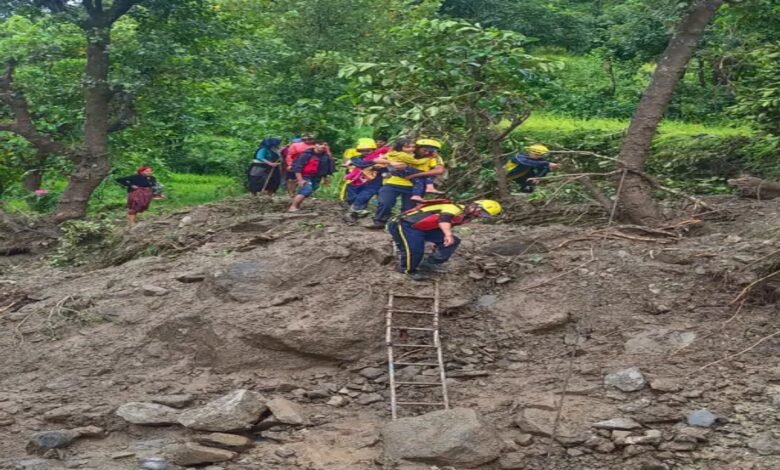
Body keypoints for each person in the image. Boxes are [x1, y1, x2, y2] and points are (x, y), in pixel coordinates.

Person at [387, 199, 502, 281]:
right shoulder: (454, 208)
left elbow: (446, 225)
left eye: (483, 215)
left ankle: (430, 263)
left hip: (424, 228)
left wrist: (440, 241)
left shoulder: (466, 217)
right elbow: (444, 219)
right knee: (415, 251)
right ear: (475, 206)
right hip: (406, 224)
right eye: (480, 212)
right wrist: (447, 235)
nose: (480, 215)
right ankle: (407, 270)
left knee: (453, 241)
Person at [367, 138, 446, 229]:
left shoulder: (433, 157)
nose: (427, 153)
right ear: (417, 148)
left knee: (408, 208)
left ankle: (402, 226)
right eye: (424, 150)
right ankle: (379, 222)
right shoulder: (404, 153)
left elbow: (439, 170)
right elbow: (377, 160)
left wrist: (415, 175)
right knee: (385, 202)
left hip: (415, 186)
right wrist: (391, 162)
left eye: (430, 151)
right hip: (393, 182)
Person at [342, 138, 388, 222]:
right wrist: (373, 164)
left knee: (364, 197)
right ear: (359, 150)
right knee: (351, 198)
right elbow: (360, 164)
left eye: (368, 150)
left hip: (373, 182)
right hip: (355, 181)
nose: (365, 152)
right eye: (363, 150)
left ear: (373, 150)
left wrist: (375, 166)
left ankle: (352, 213)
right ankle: (357, 212)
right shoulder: (355, 158)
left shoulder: (381, 158)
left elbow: (386, 168)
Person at [288, 140, 335, 212]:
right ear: (315, 145)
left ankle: (297, 205)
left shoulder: (325, 156)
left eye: (325, 145)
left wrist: (325, 178)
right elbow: (298, 167)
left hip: (317, 177)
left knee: (309, 190)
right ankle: (292, 207)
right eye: (320, 144)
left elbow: (325, 168)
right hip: (305, 176)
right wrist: (300, 180)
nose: (323, 146)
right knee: (306, 190)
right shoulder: (306, 154)